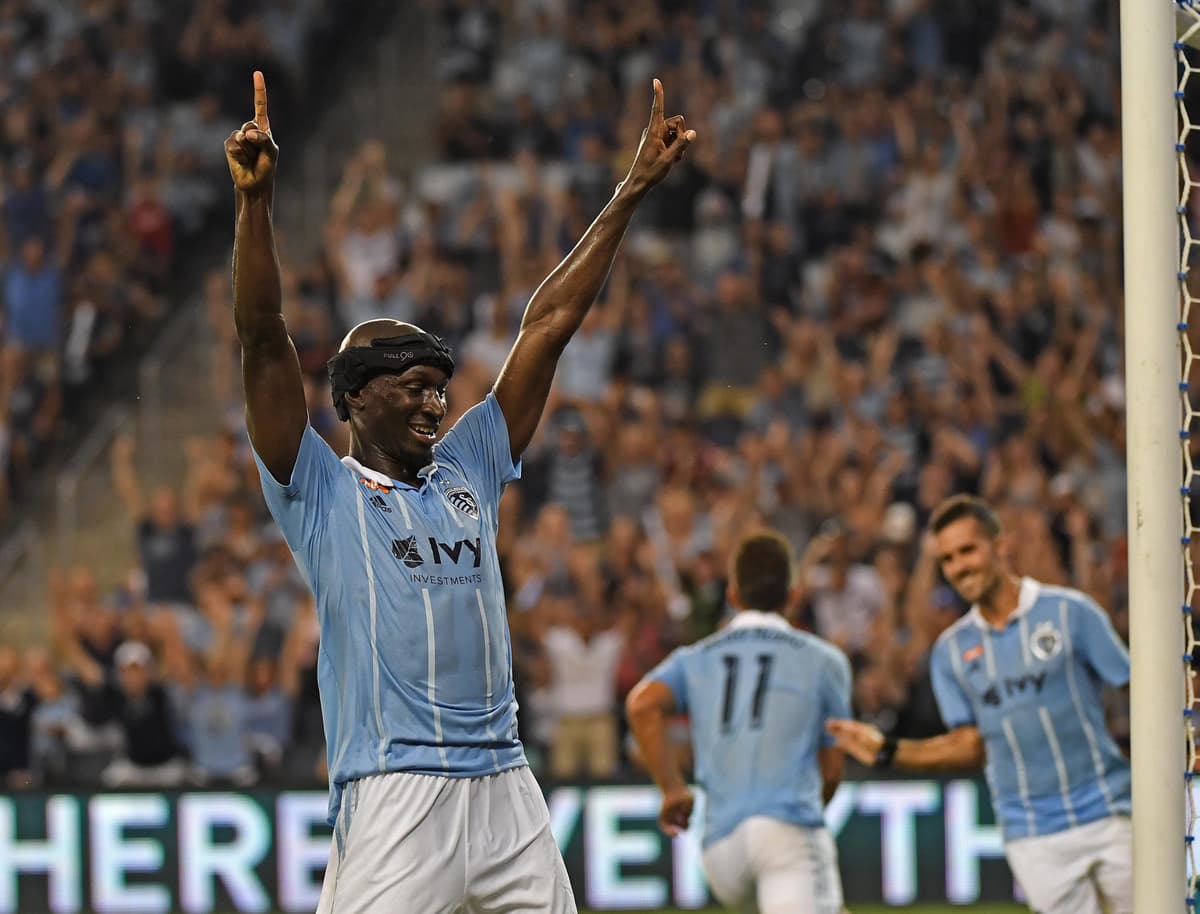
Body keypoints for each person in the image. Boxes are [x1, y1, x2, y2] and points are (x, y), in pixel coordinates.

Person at [223, 71, 694, 912]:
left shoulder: (470, 463)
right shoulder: (319, 489)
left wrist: (627, 194)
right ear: (357, 396)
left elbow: (547, 324)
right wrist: (254, 206)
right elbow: (262, 337)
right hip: (398, 793)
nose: (435, 400)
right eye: (412, 384)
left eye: (440, 385)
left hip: (507, 785)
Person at [826, 494, 1200, 914]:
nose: (959, 566)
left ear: (1000, 546)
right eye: (948, 559)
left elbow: (1136, 689)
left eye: (968, 550)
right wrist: (888, 750)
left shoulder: (1070, 613)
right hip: (1033, 835)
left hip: (1110, 811)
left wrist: (1184, 747)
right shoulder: (951, 652)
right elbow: (968, 745)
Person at [626, 530, 851, 914]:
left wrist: (672, 789)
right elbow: (830, 773)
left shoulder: (696, 657)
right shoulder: (824, 661)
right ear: (793, 596)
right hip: (785, 831)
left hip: (720, 849)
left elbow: (641, 704)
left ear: (733, 596)